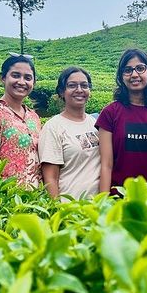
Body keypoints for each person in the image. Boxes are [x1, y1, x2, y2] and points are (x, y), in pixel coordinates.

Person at [96, 48, 147, 193]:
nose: (134, 74)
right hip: (120, 198)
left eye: (140, 68)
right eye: (128, 70)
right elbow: (106, 165)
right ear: (121, 76)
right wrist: (103, 204)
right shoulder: (110, 113)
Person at [0, 53, 41, 186]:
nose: (22, 82)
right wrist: (5, 197)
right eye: (15, 75)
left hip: (37, 201)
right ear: (3, 78)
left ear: (33, 82)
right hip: (8, 201)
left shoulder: (33, 117)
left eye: (28, 78)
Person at [38, 67, 100, 199]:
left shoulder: (96, 123)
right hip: (70, 207)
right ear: (62, 92)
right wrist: (58, 212)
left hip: (98, 207)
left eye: (84, 85)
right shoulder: (53, 127)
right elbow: (50, 178)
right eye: (72, 85)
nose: (79, 90)